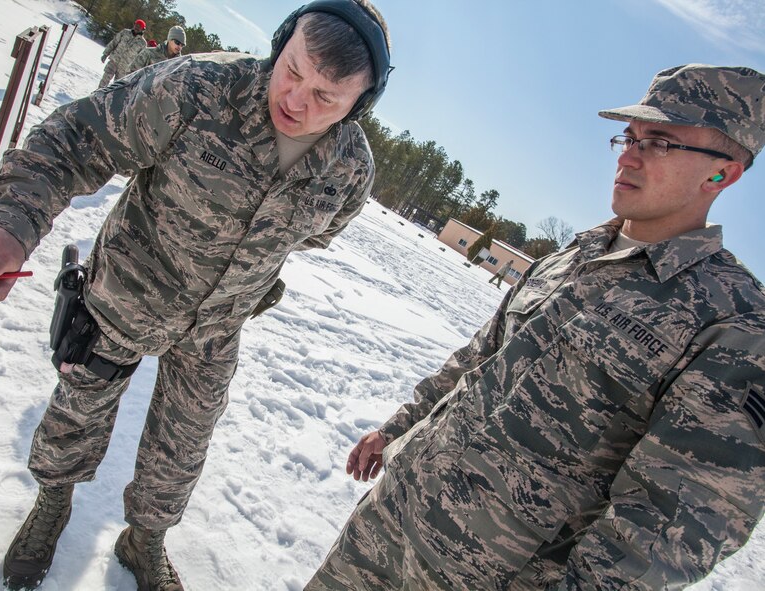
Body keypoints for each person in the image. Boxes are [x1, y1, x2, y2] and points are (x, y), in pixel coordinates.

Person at [0, 1, 391, 589]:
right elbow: (77, 139)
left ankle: (145, 540)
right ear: (282, 43)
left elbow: (314, 235)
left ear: (357, 105)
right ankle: (52, 504)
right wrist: (12, 220)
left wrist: (243, 276)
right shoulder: (198, 87)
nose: (295, 101)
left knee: (182, 451)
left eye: (325, 98)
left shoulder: (349, 170)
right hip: (125, 296)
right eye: (293, 71)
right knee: (76, 414)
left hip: (214, 332)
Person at [306, 64, 765, 590]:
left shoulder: (736, 323)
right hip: (392, 517)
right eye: (630, 136)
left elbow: (677, 519)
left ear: (722, 173)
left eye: (659, 142)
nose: (628, 155)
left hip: (483, 575)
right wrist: (397, 428)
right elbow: (480, 357)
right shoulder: (577, 254)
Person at [98, 18, 148, 88]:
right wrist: (105, 54)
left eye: (139, 27)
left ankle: (110, 99)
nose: (137, 27)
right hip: (114, 61)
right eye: (136, 25)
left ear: (143, 29)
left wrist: (135, 71)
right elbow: (114, 42)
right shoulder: (125, 32)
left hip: (125, 69)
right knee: (104, 80)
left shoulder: (142, 43)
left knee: (116, 87)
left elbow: (141, 59)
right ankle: (96, 95)